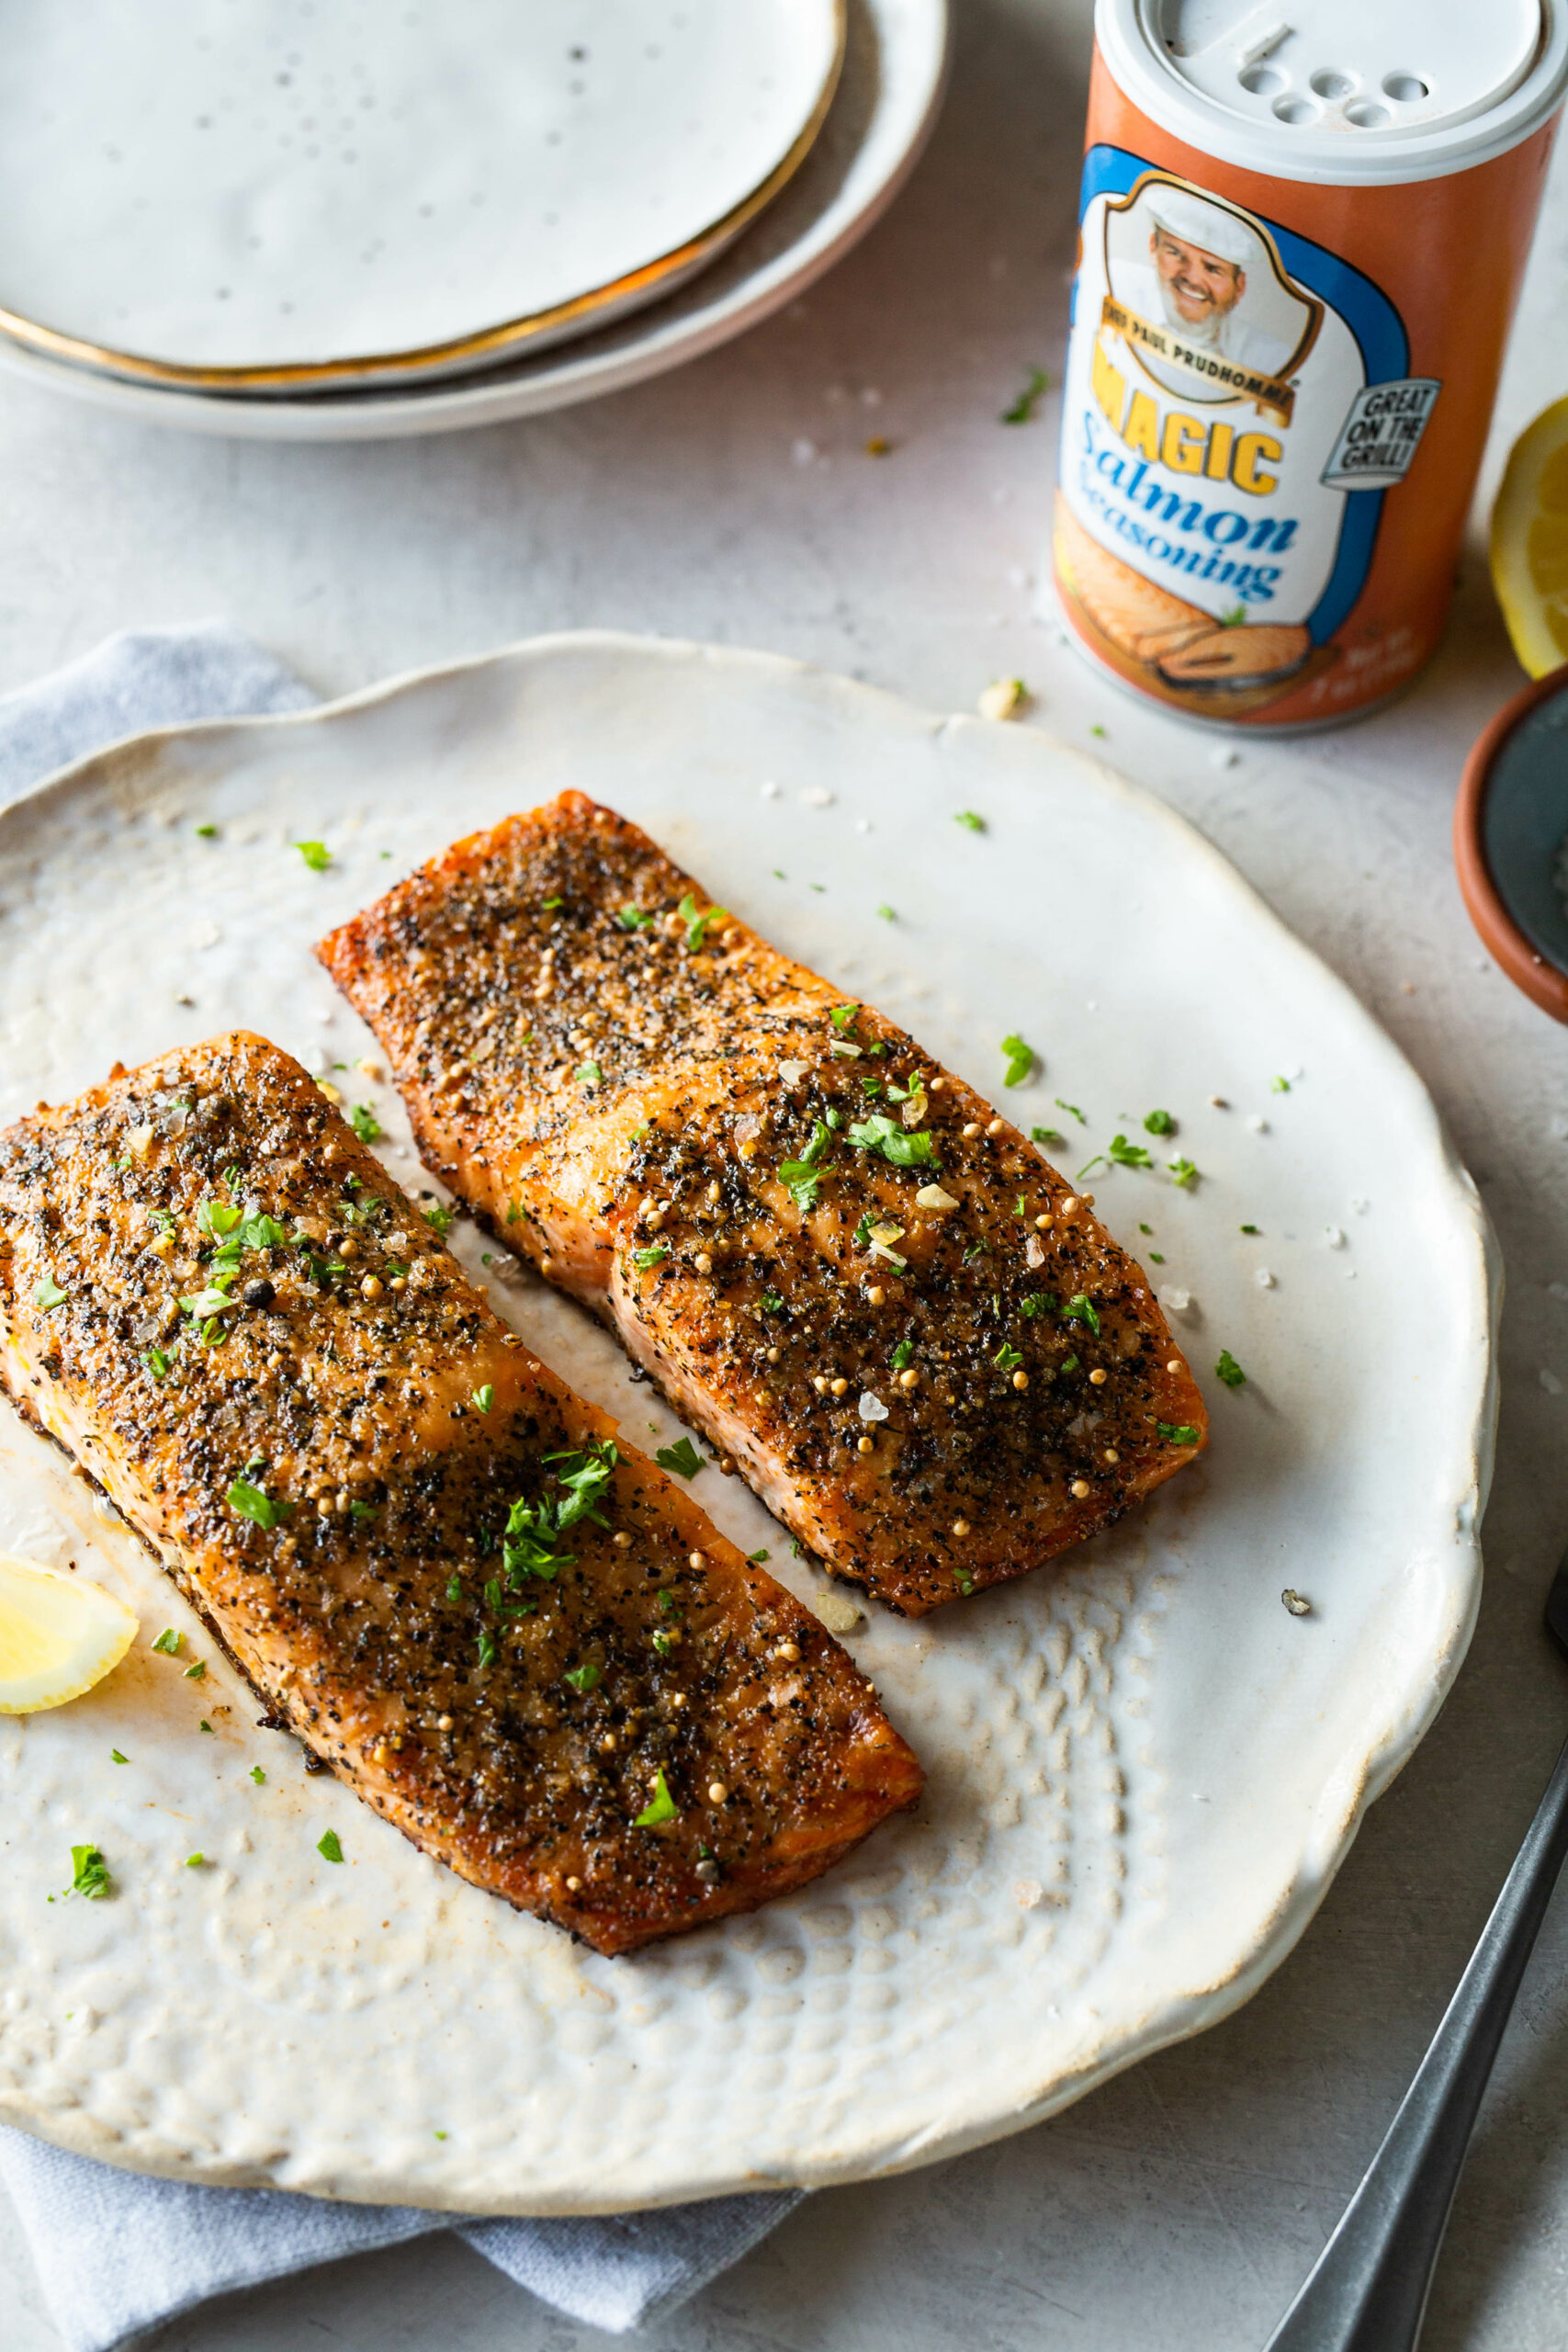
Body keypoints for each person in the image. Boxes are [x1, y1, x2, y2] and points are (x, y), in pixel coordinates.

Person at [1111, 187, 1295, 381]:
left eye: (1213, 269)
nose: (1193, 279)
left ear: (1239, 287)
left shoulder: (1270, 359)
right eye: (1175, 254)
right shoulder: (1116, 285)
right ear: (1153, 248)